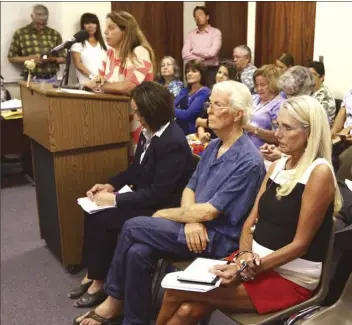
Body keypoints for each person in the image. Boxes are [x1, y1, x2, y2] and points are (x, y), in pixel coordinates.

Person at [73, 80, 266, 325]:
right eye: (210, 104)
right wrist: (188, 220)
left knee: (132, 226)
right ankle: (134, 320)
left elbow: (209, 212)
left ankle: (112, 301)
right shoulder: (215, 145)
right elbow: (190, 188)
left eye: (218, 105)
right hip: (194, 227)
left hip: (216, 238)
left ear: (238, 114)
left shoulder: (248, 161)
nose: (209, 110)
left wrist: (167, 214)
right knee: (137, 251)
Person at [155, 95, 342, 325]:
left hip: (290, 277)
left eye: (287, 128)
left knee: (176, 291)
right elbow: (250, 223)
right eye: (277, 126)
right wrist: (243, 258)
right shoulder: (278, 165)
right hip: (253, 264)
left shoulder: (319, 173)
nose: (278, 134)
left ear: (310, 133)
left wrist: (247, 268)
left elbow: (300, 245)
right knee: (187, 310)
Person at [68, 82, 194, 309]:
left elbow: (158, 194)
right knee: (93, 210)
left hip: (162, 208)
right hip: (145, 197)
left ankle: (99, 282)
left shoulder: (172, 141)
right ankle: (96, 273)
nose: (134, 115)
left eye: (137, 111)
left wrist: (115, 199)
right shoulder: (150, 133)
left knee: (104, 217)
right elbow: (136, 169)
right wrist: (109, 185)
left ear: (151, 111)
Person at [84, 11, 155, 160]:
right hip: (116, 117)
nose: (105, 32)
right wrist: (96, 83)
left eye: (111, 28)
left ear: (126, 30)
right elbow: (99, 79)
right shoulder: (110, 54)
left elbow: (128, 86)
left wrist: (98, 86)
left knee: (136, 161)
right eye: (106, 28)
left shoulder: (138, 52)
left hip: (139, 118)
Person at [260, 66, 316, 163]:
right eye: (287, 95)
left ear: (307, 92)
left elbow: (313, 154)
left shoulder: (314, 113)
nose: (289, 99)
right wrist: (276, 149)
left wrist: (282, 155)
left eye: (293, 95)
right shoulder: (284, 100)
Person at [7, 4, 66, 83]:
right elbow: (11, 58)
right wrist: (29, 58)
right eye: (38, 23)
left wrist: (53, 59)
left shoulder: (54, 34)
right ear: (32, 17)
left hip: (52, 79)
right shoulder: (21, 33)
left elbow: (64, 58)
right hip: (30, 79)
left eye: (44, 24)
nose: (41, 27)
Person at [193, 60, 237, 151]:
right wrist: (201, 133)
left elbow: (224, 123)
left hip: (223, 141)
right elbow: (199, 119)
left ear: (231, 79)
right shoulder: (211, 93)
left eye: (225, 74)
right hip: (205, 139)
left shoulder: (233, 98)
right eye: (219, 72)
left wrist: (202, 122)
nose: (220, 76)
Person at [243, 64, 285, 149]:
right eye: (257, 85)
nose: (259, 88)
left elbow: (278, 137)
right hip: (242, 147)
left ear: (273, 84)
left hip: (262, 152)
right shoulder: (253, 98)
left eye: (262, 85)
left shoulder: (280, 105)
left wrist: (253, 129)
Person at [182, 6, 222, 86]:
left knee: (210, 94)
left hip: (211, 70)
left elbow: (212, 53)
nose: (197, 17)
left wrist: (195, 50)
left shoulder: (215, 32)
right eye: (195, 16)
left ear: (207, 17)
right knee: (193, 94)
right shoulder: (191, 34)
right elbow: (185, 54)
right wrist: (201, 59)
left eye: (200, 14)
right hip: (194, 70)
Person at [174, 60, 211, 135]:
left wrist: (169, 108)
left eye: (194, 71)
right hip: (177, 128)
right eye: (187, 72)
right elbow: (173, 105)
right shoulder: (184, 90)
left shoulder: (205, 92)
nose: (189, 74)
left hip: (191, 133)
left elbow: (188, 115)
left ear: (202, 74)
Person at [71, 13, 107, 84]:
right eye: (87, 23)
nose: (90, 26)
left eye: (93, 23)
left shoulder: (105, 43)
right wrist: (93, 77)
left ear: (97, 25)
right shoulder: (77, 43)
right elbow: (78, 65)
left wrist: (102, 79)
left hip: (104, 83)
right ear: (82, 25)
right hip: (86, 84)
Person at [331, 89, 352, 178]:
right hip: (344, 136)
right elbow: (339, 121)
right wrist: (331, 136)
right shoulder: (349, 93)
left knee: (343, 158)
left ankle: (339, 188)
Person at [308, 61, 336, 126]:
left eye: (312, 74)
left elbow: (316, 120)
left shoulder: (326, 96)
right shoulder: (306, 92)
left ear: (322, 77)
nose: (309, 78)